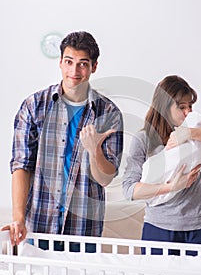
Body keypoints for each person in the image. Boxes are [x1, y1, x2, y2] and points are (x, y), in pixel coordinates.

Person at [2, 31, 123, 250]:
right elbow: (21, 165)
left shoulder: (109, 113)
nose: (74, 71)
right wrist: (18, 217)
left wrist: (95, 149)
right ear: (60, 63)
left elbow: (106, 178)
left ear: (94, 67)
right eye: (69, 62)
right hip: (38, 223)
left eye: (83, 64)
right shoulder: (34, 106)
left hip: (84, 228)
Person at [122, 75, 201, 254]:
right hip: (159, 228)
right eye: (181, 107)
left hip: (200, 225)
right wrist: (171, 187)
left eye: (190, 106)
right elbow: (129, 190)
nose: (188, 112)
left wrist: (189, 133)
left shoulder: (196, 130)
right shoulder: (143, 139)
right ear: (164, 107)